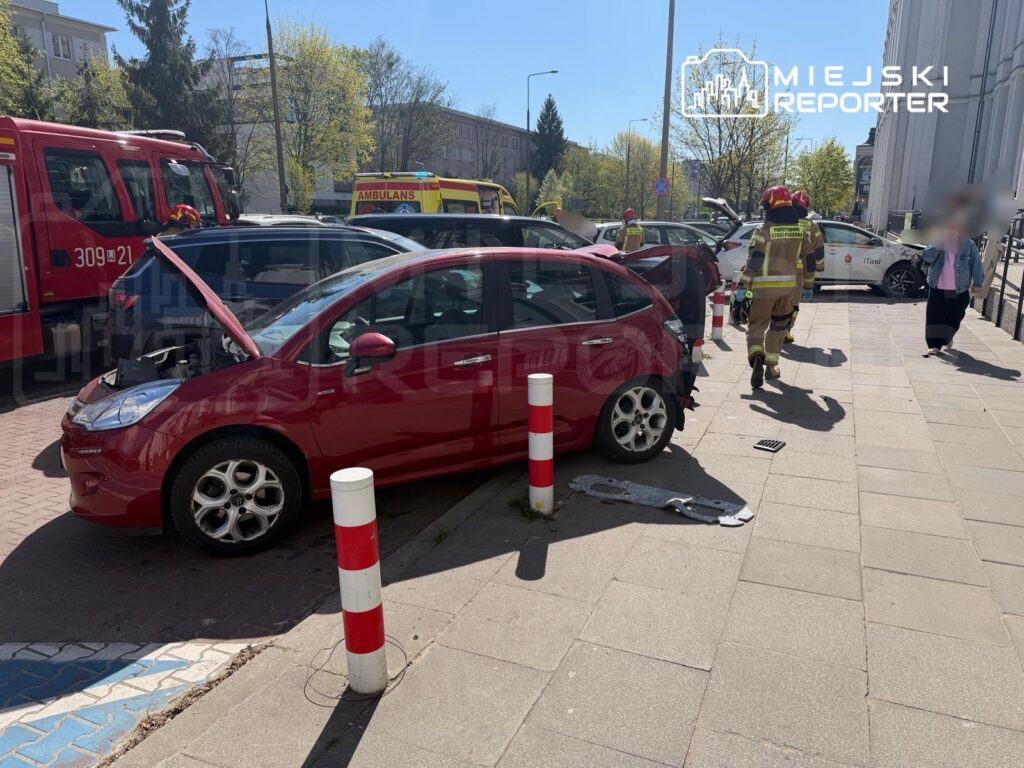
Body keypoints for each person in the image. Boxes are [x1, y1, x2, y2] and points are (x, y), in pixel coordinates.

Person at [736, 185, 813, 389]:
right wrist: (808, 284)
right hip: (788, 290)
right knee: (779, 327)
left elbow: (755, 260)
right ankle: (771, 367)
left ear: (771, 205)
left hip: (763, 290)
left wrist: (743, 285)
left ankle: (756, 358)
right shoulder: (800, 230)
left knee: (756, 326)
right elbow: (810, 259)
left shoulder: (763, 231)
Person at [920, 227, 984, 356]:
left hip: (959, 288)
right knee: (935, 316)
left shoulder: (968, 244)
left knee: (955, 316)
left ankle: (947, 337)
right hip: (938, 286)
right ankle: (934, 345)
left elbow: (976, 263)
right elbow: (926, 256)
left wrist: (978, 282)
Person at [787, 190, 824, 343]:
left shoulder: (783, 223)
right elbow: (818, 250)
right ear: (806, 206)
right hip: (801, 273)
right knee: (794, 303)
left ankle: (775, 328)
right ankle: (786, 330)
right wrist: (819, 268)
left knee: (778, 300)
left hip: (780, 268)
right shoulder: (811, 226)